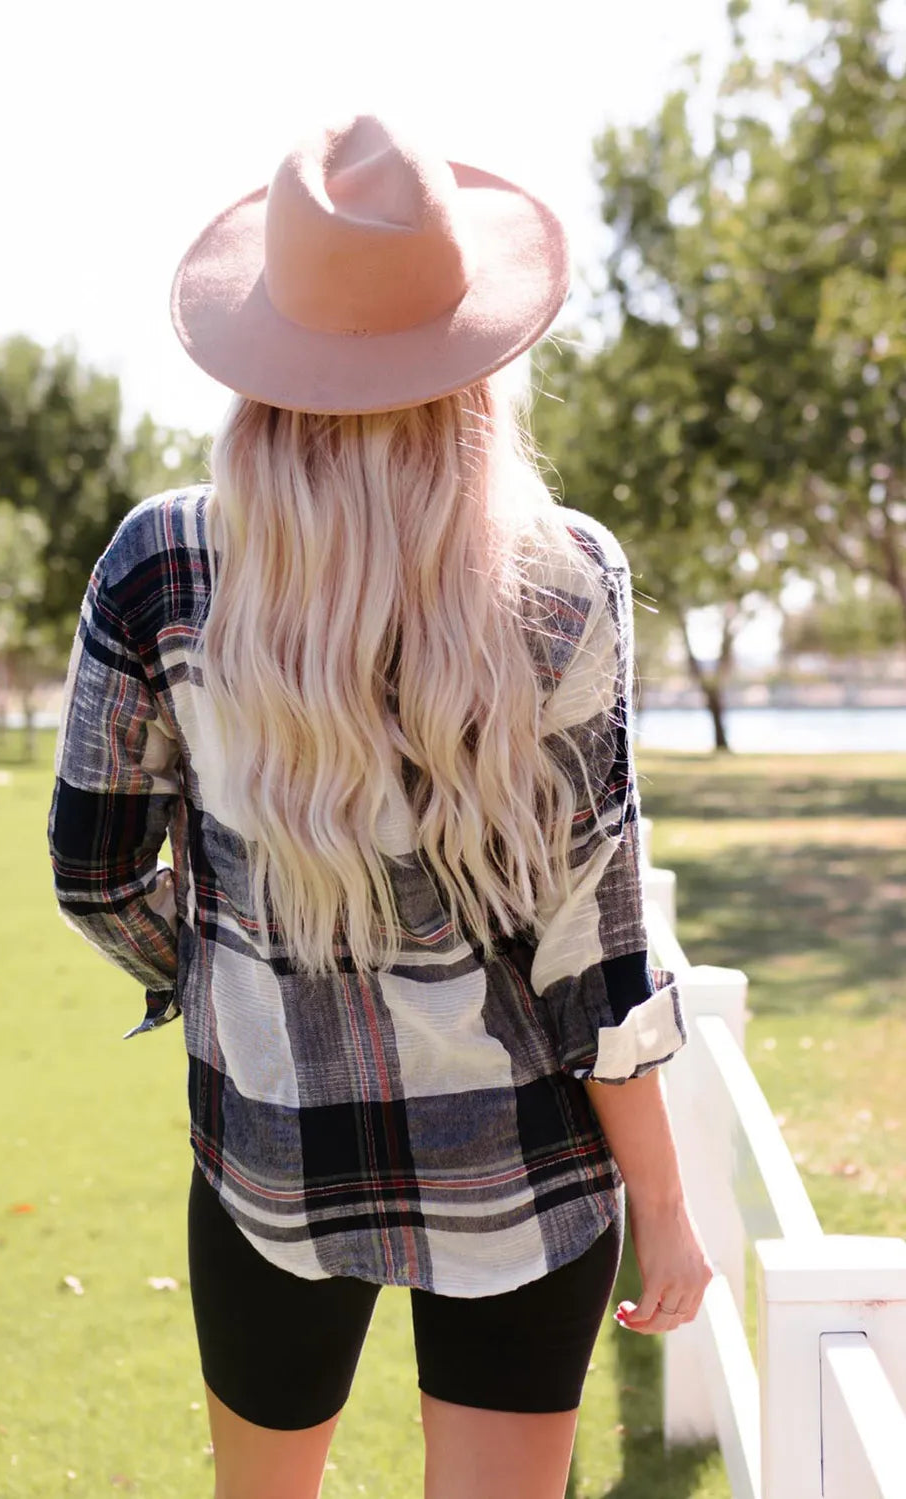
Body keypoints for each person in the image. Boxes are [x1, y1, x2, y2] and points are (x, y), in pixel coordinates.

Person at [48, 114, 713, 1499]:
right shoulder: (563, 575)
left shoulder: (161, 563)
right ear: (476, 359)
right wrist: (663, 1201)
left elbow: (95, 875)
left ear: (266, 355)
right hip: (529, 1164)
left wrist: (233, 981)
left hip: (271, 1154)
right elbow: (596, 953)